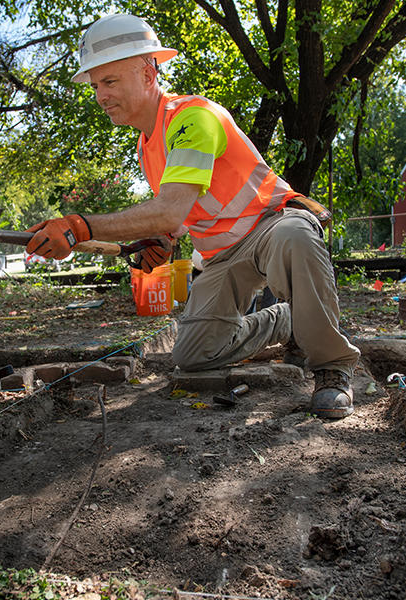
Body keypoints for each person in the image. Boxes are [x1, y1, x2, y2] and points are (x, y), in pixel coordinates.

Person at [26, 15, 361, 418]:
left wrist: (80, 226)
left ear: (148, 73)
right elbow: (172, 220)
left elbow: (168, 208)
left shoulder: (192, 117)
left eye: (110, 81)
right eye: (96, 85)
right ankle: (288, 320)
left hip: (272, 225)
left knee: (296, 236)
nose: (100, 95)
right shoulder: (146, 145)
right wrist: (162, 245)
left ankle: (332, 368)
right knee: (193, 354)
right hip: (222, 256)